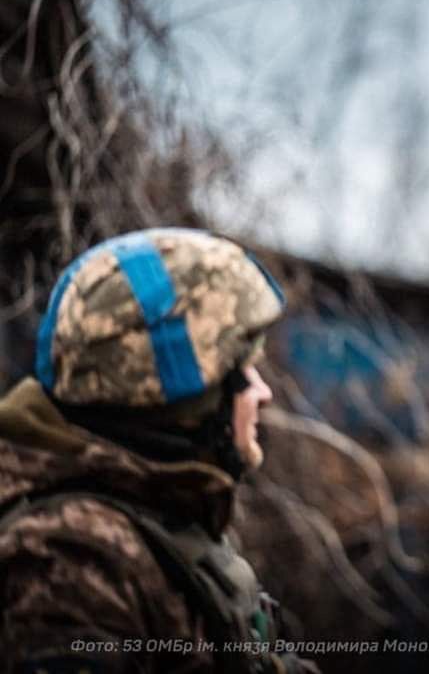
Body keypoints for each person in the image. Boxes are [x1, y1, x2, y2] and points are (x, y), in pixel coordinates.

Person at [0, 228, 318, 674]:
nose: (263, 392)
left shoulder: (157, 511)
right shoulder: (69, 559)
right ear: (190, 397)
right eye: (244, 369)